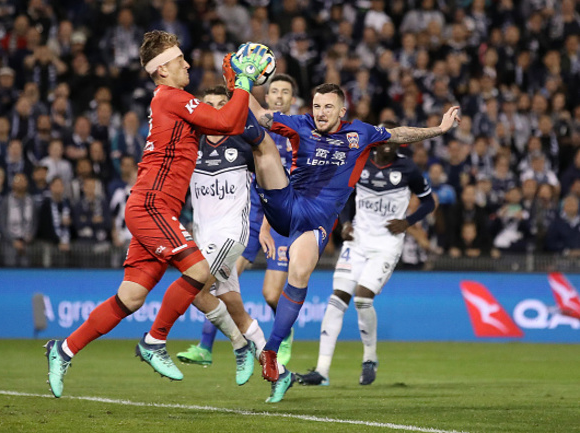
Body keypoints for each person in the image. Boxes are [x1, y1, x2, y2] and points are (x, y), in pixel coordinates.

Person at [43, 33, 273, 398]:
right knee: (199, 273)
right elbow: (228, 122)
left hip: (152, 208)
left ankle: (64, 348)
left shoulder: (173, 102)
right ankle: (154, 341)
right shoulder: (172, 98)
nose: (188, 64)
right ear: (162, 68)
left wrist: (233, 83)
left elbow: (224, 119)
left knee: (130, 299)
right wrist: (244, 81)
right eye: (180, 59)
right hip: (152, 206)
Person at [238, 63, 459, 401]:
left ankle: (271, 351)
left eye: (328, 107)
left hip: (317, 221)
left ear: (342, 110)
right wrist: (242, 85)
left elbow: (398, 133)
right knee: (264, 142)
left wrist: (439, 129)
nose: (321, 112)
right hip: (287, 201)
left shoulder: (361, 133)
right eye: (316, 106)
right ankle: (234, 83)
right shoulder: (300, 125)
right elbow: (264, 114)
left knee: (299, 274)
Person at [294, 120, 435, 387]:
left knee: (362, 299)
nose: (383, 145)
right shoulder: (360, 161)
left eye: (389, 141)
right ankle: (322, 370)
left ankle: (370, 357)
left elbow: (429, 201)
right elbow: (345, 196)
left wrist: (407, 222)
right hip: (357, 240)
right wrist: (345, 223)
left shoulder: (408, 168)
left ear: (398, 143)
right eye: (381, 140)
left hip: (386, 243)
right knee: (336, 300)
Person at [178, 74, 297, 367]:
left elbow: (280, 184)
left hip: (271, 217)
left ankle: (281, 333)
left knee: (270, 293)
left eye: (285, 92)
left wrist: (271, 224)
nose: (279, 96)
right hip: (244, 218)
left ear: (292, 99)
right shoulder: (226, 133)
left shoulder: (292, 133)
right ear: (265, 98)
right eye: (274, 91)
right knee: (224, 290)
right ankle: (209, 347)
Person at [175, 85, 268, 379]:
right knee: (234, 307)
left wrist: (269, 221)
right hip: (203, 237)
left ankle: (240, 348)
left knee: (196, 290)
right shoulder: (191, 144)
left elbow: (268, 182)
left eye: (221, 103)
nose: (214, 108)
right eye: (209, 104)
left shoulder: (242, 142)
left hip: (232, 234)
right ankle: (277, 368)